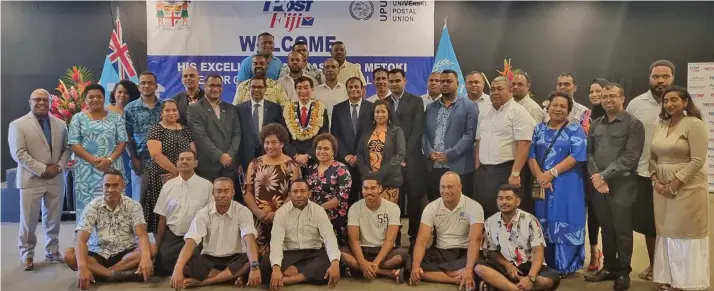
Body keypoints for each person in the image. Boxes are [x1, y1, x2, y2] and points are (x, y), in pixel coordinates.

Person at [585, 82, 644, 291]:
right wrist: (596, 177)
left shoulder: (633, 124)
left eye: (612, 96)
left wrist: (604, 176)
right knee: (606, 229)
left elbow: (630, 157)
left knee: (622, 230)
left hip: (622, 185)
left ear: (622, 99)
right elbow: (589, 153)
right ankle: (609, 267)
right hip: (598, 186)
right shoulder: (596, 124)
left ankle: (623, 272)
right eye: (604, 96)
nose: (608, 99)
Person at [650, 86, 710, 291]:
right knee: (666, 231)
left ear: (685, 102)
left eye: (674, 99)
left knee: (684, 232)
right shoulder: (661, 124)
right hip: (661, 188)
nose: (669, 104)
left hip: (688, 188)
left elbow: (697, 160)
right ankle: (669, 277)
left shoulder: (694, 124)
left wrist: (674, 184)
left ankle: (686, 282)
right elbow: (653, 157)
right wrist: (655, 181)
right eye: (666, 100)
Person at [9, 88, 71, 270]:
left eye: (45, 100)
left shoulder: (60, 124)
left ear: (51, 103)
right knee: (28, 220)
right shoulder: (18, 125)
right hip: (31, 178)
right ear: (30, 102)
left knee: (53, 217)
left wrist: (59, 167)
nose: (42, 103)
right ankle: (27, 254)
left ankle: (52, 250)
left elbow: (67, 148)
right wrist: (43, 170)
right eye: (37, 100)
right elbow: (19, 153)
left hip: (56, 178)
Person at [527, 91, 587, 277]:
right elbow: (531, 155)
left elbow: (577, 155)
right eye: (555, 105)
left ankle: (566, 265)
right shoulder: (538, 129)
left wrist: (551, 174)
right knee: (544, 220)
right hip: (543, 185)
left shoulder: (575, 129)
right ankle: (546, 263)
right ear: (548, 107)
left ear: (569, 110)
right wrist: (540, 177)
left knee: (566, 220)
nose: (558, 109)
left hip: (567, 184)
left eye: (563, 106)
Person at [62, 170, 156, 290]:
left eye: (115, 185)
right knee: (69, 255)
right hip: (98, 253)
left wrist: (146, 258)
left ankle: (105, 273)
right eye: (107, 185)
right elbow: (81, 241)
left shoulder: (133, 205)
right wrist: (82, 267)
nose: (111, 189)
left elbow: (142, 235)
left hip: (125, 253)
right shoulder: (92, 206)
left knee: (152, 248)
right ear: (102, 186)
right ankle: (117, 275)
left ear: (123, 186)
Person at [626, 60, 675, 281]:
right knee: (649, 224)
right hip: (644, 173)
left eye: (665, 76)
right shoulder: (636, 105)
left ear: (672, 78)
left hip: (674, 176)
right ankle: (655, 266)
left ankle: (674, 268)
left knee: (674, 223)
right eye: (656, 76)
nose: (661, 80)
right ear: (649, 78)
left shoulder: (681, 103)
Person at [170, 178, 262, 289]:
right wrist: (177, 270)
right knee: (184, 261)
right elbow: (190, 242)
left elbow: (249, 239)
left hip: (235, 258)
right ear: (213, 193)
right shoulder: (203, 213)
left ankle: (205, 282)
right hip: (209, 260)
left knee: (253, 259)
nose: (222, 195)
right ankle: (231, 277)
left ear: (233, 193)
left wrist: (254, 267)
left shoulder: (243, 211)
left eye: (226, 191)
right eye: (218, 191)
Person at [475, 184, 561, 291]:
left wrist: (531, 278)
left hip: (529, 265)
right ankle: (515, 289)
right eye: (500, 199)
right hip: (505, 267)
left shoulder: (530, 220)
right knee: (479, 268)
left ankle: (504, 285)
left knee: (550, 279)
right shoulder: (490, 222)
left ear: (518, 202)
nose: (504, 202)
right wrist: (507, 266)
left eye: (508, 198)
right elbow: (492, 252)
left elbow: (538, 253)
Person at [408, 172, 484, 289]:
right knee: (412, 264)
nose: (446, 191)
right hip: (440, 251)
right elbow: (422, 240)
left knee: (480, 266)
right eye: (442, 187)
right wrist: (415, 266)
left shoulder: (474, 206)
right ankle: (458, 278)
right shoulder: (431, 207)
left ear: (460, 187)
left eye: (450, 187)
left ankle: (464, 272)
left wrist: (469, 268)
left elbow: (475, 241)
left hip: (464, 252)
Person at [474, 76, 536, 218]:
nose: (495, 92)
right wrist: (477, 167)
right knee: (485, 212)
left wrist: (515, 173)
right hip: (484, 172)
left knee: (506, 213)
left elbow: (524, 143)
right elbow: (478, 141)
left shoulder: (518, 112)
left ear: (510, 91)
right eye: (492, 89)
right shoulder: (484, 113)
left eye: (500, 89)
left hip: (506, 171)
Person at [264, 180, 342, 290]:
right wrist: (276, 268)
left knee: (328, 260)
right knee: (266, 262)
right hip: (288, 254)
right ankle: (303, 274)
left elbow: (329, 237)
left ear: (309, 194)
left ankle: (289, 279)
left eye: (303, 191)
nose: (299, 195)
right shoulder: (281, 213)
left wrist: (334, 263)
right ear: (290, 194)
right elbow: (276, 242)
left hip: (312, 253)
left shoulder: (318, 211)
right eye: (295, 191)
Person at [68, 83, 128, 217]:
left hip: (112, 170)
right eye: (91, 97)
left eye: (99, 97)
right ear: (85, 100)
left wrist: (109, 160)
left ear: (104, 98)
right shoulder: (77, 118)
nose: (95, 99)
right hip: (86, 174)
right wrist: (94, 161)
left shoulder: (116, 118)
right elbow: (74, 144)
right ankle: (87, 239)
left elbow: (122, 142)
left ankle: (115, 238)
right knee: (88, 212)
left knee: (114, 208)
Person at [243, 123, 302, 256]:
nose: (269, 146)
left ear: (282, 143)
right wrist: (257, 211)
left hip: (283, 217)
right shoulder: (255, 164)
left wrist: (278, 213)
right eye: (266, 143)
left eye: (274, 142)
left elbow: (295, 194)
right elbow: (247, 192)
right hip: (258, 218)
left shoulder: (292, 165)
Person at [152, 150, 213, 276]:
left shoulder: (207, 186)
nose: (184, 161)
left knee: (199, 266)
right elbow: (162, 219)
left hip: (197, 239)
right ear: (177, 163)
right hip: (173, 237)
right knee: (162, 266)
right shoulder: (168, 186)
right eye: (181, 159)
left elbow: (212, 217)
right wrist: (156, 247)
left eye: (189, 159)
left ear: (195, 163)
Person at [384, 68, 426, 248]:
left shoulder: (416, 101)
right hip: (390, 162)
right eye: (391, 81)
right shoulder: (382, 102)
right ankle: (393, 239)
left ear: (405, 81)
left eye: (397, 81)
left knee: (415, 200)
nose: (394, 84)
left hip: (411, 160)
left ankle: (414, 237)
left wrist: (403, 155)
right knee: (392, 201)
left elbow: (417, 131)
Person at [423, 69, 478, 201]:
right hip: (434, 167)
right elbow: (424, 133)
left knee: (461, 208)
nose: (445, 84)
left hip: (458, 166)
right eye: (442, 81)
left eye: (449, 81)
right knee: (435, 207)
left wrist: (450, 154)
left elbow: (470, 135)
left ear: (458, 84)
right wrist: (429, 152)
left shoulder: (470, 106)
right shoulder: (430, 107)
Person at [341, 174, 408, 282]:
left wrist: (376, 263)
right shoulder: (354, 208)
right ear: (362, 189)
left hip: (383, 251)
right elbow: (354, 240)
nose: (369, 192)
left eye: (373, 188)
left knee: (401, 255)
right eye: (366, 188)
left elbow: (390, 241)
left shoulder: (393, 208)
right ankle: (386, 273)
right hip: (362, 250)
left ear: (380, 188)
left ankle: (356, 270)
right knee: (342, 253)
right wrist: (362, 262)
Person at [143, 100, 196, 233]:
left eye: (174, 110)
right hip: (162, 178)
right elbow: (156, 155)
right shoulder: (156, 129)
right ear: (161, 113)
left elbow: (193, 152)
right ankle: (160, 245)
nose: (171, 113)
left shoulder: (185, 129)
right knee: (163, 212)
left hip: (185, 178)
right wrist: (177, 172)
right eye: (167, 110)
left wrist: (186, 172)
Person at [187, 74, 241, 183]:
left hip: (229, 166)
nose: (215, 89)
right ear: (204, 86)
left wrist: (229, 155)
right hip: (207, 167)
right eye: (211, 85)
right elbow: (200, 137)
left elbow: (237, 134)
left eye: (219, 86)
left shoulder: (231, 108)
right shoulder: (194, 109)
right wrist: (220, 156)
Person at [330, 77, 374, 205]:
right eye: (350, 87)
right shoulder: (338, 108)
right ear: (346, 89)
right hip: (346, 160)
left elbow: (373, 134)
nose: (353, 89)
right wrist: (345, 155)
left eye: (356, 87)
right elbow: (335, 135)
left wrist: (360, 154)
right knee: (349, 196)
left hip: (366, 159)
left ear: (363, 89)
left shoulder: (372, 107)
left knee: (368, 194)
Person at [305, 133, 352, 246]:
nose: (322, 151)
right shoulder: (311, 168)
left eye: (326, 148)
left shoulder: (341, 169)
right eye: (319, 148)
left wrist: (319, 209)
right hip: (313, 218)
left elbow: (342, 198)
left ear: (333, 151)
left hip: (334, 218)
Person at [357, 100, 405, 204]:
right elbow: (359, 153)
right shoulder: (367, 131)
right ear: (373, 114)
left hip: (389, 181)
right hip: (369, 182)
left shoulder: (396, 131)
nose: (380, 114)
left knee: (389, 216)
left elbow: (400, 155)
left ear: (389, 114)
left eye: (383, 112)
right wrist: (367, 173)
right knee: (370, 215)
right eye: (377, 112)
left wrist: (380, 173)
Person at [125, 71, 163, 202]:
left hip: (164, 161)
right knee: (139, 202)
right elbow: (127, 136)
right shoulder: (130, 108)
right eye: (143, 83)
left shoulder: (164, 107)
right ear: (138, 86)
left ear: (156, 86)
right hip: (141, 163)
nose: (146, 86)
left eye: (150, 83)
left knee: (163, 203)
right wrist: (134, 158)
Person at [235, 77, 286, 173]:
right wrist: (238, 162)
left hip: (270, 158)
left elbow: (280, 135)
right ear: (249, 88)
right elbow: (236, 136)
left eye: (260, 87)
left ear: (265, 89)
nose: (256, 90)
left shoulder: (275, 108)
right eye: (253, 87)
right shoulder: (239, 109)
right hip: (246, 160)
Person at [586, 77, 608, 272]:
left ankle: (610, 256)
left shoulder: (612, 115)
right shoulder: (587, 115)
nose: (594, 94)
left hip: (605, 173)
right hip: (586, 171)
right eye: (591, 91)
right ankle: (594, 251)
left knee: (602, 213)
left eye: (598, 91)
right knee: (591, 213)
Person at [283, 76, 330, 168]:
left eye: (306, 87)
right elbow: (284, 138)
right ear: (295, 90)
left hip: (314, 159)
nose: (303, 91)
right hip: (292, 160)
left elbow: (323, 135)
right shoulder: (287, 110)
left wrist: (308, 155)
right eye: (299, 88)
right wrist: (295, 156)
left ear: (312, 90)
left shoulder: (321, 109)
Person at [108, 80, 141, 198]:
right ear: (114, 93)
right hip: (112, 153)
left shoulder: (134, 111)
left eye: (126, 93)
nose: (122, 95)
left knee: (130, 182)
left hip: (131, 152)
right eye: (119, 92)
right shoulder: (105, 111)